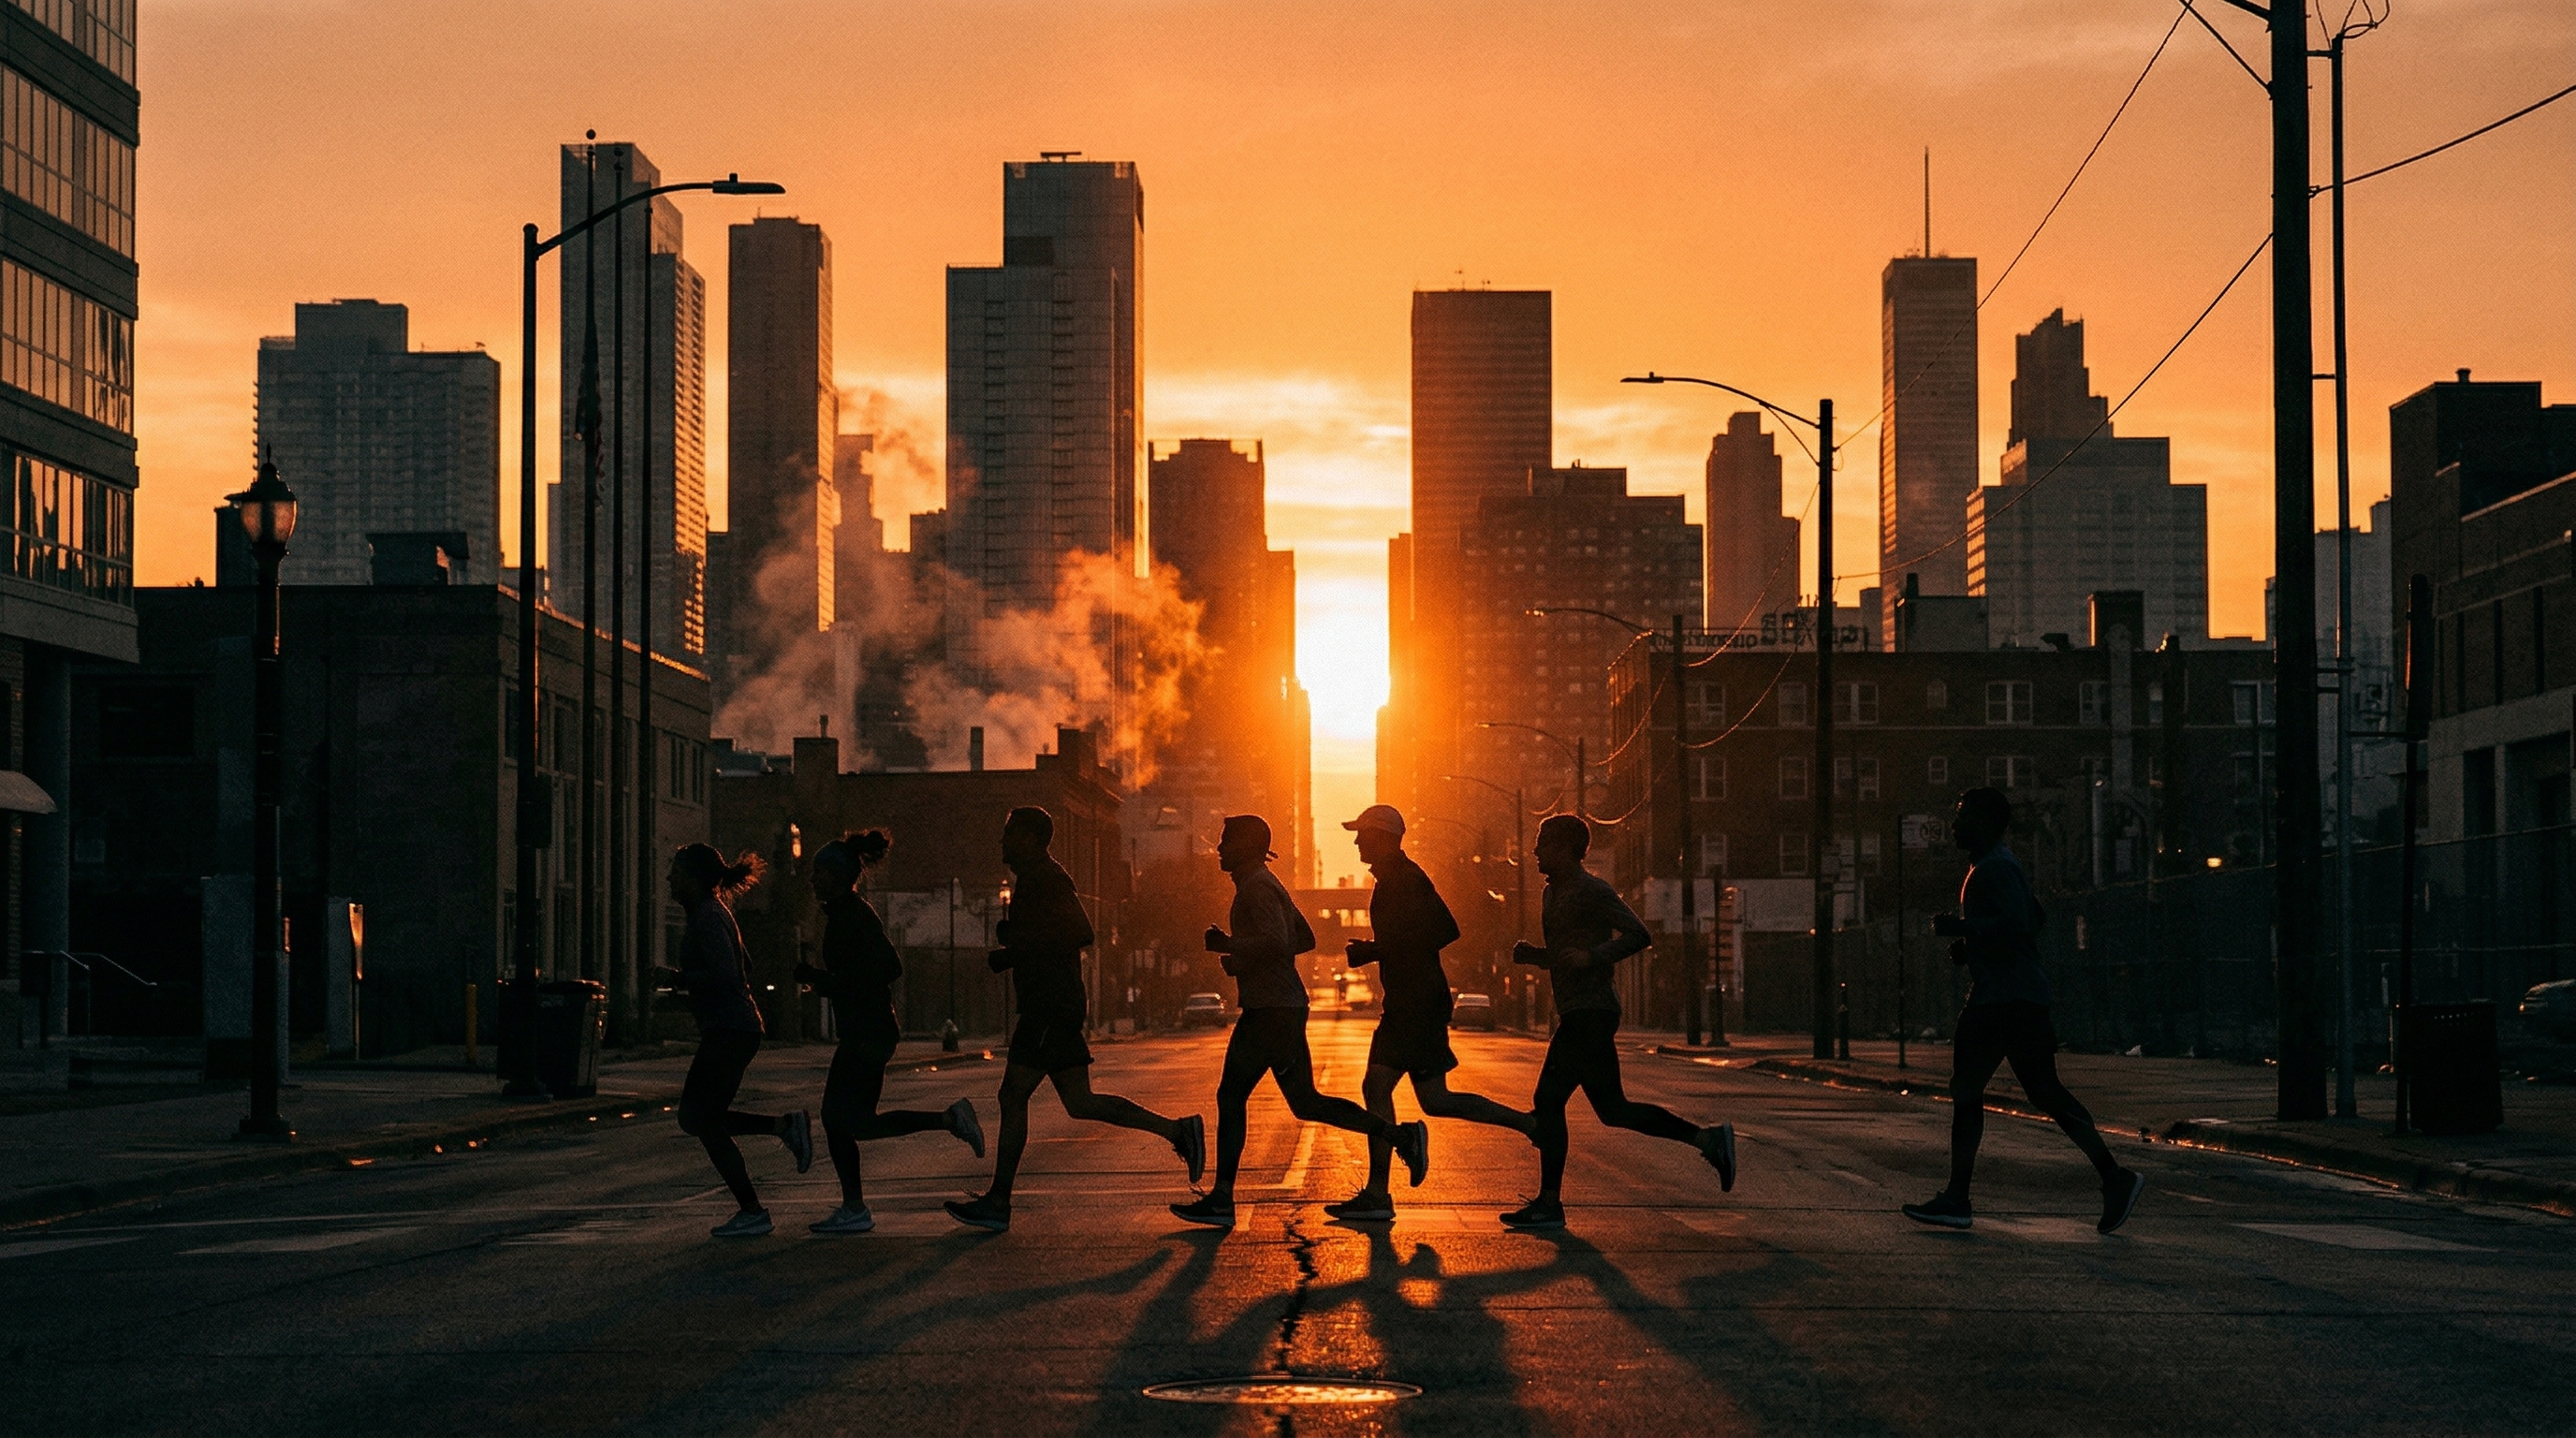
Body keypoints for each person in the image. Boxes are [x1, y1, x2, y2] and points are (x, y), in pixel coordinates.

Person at [946, 806, 1206, 1232]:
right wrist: (1017, 942)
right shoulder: (1032, 881)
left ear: (1031, 838)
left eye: (1009, 833)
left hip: (1050, 1007)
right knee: (1079, 1102)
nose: (1002, 842)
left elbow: (1081, 931)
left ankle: (998, 1202)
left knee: (1013, 1096)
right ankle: (1178, 1132)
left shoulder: (1046, 879)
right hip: (1050, 1006)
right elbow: (1049, 936)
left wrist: (1014, 952)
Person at [1902, 787, 2144, 1235]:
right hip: (2013, 997)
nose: (1955, 825)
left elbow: (2017, 925)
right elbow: (2033, 917)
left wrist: (1962, 928)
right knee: (2038, 1091)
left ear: (1989, 823)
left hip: (2003, 1000)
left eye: (1963, 817)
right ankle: (2113, 1177)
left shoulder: (1994, 867)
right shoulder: (1996, 865)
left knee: (1975, 1090)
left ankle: (1958, 1198)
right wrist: (1972, 944)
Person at [1172, 814, 1429, 1230]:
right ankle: (1401, 1138)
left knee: (1233, 1095)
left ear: (1251, 846)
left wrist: (1229, 945)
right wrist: (1245, 960)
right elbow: (1303, 939)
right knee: (1304, 1102)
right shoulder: (1266, 884)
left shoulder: (1257, 886)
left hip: (1272, 1010)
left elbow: (1277, 943)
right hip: (1277, 1007)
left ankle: (1222, 1199)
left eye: (1226, 841)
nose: (1219, 849)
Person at [1503, 814, 1735, 1231]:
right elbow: (1568, 953)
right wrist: (1537, 956)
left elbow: (1638, 934)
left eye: (1542, 843)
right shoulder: (1551, 894)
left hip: (1592, 1012)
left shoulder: (1592, 889)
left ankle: (1549, 1203)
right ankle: (1708, 1140)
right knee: (1613, 1110)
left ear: (1565, 848)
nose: (1534, 851)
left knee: (1548, 1101)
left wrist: (1595, 957)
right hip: (1577, 1010)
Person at [1324, 805, 1534, 1223]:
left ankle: (1380, 1190)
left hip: (1417, 1004)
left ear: (1383, 837)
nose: (1355, 841)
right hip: (1410, 1001)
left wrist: (1375, 950)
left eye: (1361, 834)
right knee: (1429, 1098)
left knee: (1382, 1087)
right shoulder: (1391, 879)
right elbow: (1418, 935)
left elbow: (1443, 931)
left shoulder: (1405, 878)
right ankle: (1528, 1125)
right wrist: (1377, 948)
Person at [794, 829, 987, 1235]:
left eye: (819, 872)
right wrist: (826, 979)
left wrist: (823, 979)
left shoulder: (854, 916)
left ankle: (855, 1207)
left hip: (869, 1032)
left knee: (835, 1118)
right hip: (866, 1030)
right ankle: (950, 1120)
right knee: (858, 1123)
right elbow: (860, 974)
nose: (812, 879)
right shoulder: (843, 914)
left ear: (840, 875)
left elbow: (889, 967)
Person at [662, 843, 810, 1239]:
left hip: (730, 1029)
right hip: (734, 1028)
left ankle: (754, 1206)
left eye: (676, 871)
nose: (669, 879)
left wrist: (678, 979)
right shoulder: (714, 913)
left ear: (694, 878)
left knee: (699, 1118)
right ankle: (780, 1131)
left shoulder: (708, 917)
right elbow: (746, 964)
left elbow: (729, 973)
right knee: (699, 1118)